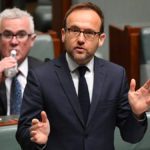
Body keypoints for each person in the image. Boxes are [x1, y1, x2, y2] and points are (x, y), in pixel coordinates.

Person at [16, 2, 150, 150]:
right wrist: (37, 139)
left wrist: (137, 114)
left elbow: (131, 136)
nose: (80, 39)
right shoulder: (40, 77)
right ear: (63, 34)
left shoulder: (115, 76)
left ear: (101, 39)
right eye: (74, 30)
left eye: (89, 33)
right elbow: (23, 133)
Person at [0, 7, 42, 115]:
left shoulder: (45, 72)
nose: (14, 42)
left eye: (21, 35)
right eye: (7, 35)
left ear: (32, 40)